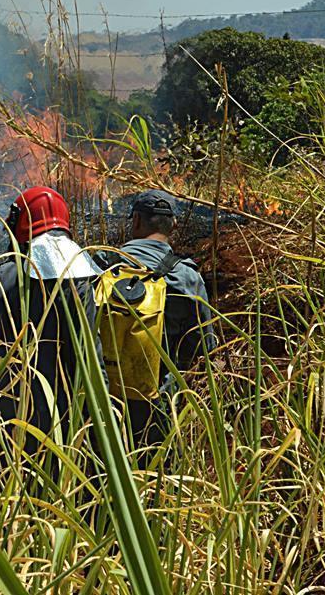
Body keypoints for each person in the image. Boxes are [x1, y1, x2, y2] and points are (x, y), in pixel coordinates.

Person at [0, 186, 102, 494]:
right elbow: (92, 363)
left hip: (5, 429)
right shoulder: (82, 282)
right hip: (67, 432)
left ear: (18, 225)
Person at [109, 189, 216, 458]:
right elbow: (204, 347)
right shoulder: (186, 276)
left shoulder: (103, 264)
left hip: (102, 400)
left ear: (135, 221)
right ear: (174, 225)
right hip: (159, 402)